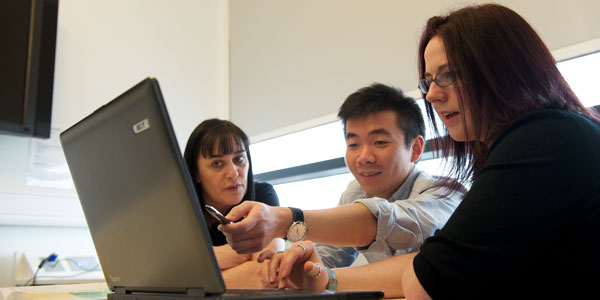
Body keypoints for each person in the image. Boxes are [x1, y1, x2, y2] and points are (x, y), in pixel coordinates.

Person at [246, 3, 600, 299]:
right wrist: (322, 277)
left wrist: (287, 219)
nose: (431, 95)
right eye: (428, 81)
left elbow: (425, 277)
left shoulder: (542, 140)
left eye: (447, 75)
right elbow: (425, 266)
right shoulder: (554, 135)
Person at [316, 83, 463, 268]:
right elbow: (326, 258)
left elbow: (392, 221)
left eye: (379, 142)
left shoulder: (444, 193)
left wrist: (293, 220)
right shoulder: (355, 193)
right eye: (353, 144)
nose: (364, 158)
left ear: (415, 149)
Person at [183, 118, 284, 288]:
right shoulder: (181, 209)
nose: (233, 173)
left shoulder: (262, 194)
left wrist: (197, 265)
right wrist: (218, 257)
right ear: (195, 173)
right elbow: (161, 271)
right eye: (217, 163)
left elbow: (268, 273)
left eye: (239, 159)